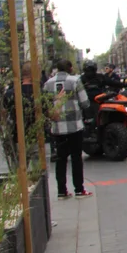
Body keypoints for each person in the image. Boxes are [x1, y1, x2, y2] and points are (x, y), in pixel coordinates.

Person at [43, 60, 92, 199]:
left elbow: (46, 105)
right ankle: (79, 189)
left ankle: (61, 191)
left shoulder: (48, 83)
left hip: (57, 127)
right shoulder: (75, 81)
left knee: (61, 159)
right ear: (70, 68)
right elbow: (85, 103)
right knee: (76, 158)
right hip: (75, 126)